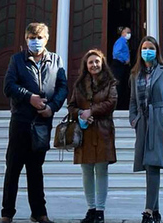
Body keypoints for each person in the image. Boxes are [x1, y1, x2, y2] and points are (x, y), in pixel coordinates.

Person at [0, 23, 67, 223]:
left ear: (46, 39)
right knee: (13, 168)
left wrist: (52, 107)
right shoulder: (17, 60)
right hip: (21, 120)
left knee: (35, 169)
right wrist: (30, 97)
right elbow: (9, 86)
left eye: (39, 37)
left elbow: (62, 87)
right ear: (26, 39)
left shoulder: (56, 60)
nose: (35, 41)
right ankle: (7, 213)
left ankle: (39, 212)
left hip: (42, 122)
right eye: (31, 37)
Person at [128, 36, 163, 223]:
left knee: (153, 164)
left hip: (158, 120)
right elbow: (132, 99)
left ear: (157, 50)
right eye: (144, 48)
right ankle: (155, 211)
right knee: (149, 165)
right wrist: (134, 119)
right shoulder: (135, 74)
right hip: (143, 122)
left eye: (151, 48)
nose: (147, 51)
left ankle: (148, 210)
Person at [68, 49, 118, 223]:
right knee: (87, 171)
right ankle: (91, 208)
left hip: (103, 131)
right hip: (84, 133)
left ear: (102, 63)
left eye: (97, 61)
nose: (94, 65)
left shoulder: (110, 82)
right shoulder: (79, 84)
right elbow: (71, 106)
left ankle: (100, 211)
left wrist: (92, 111)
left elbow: (111, 102)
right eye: (91, 62)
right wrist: (81, 113)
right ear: (86, 65)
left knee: (101, 171)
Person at [111, 26, 132, 109]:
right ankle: (118, 105)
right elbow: (117, 53)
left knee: (123, 85)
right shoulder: (121, 41)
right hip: (118, 65)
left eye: (130, 33)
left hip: (123, 66)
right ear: (123, 33)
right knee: (118, 85)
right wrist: (125, 60)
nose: (129, 34)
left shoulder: (125, 42)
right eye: (127, 32)